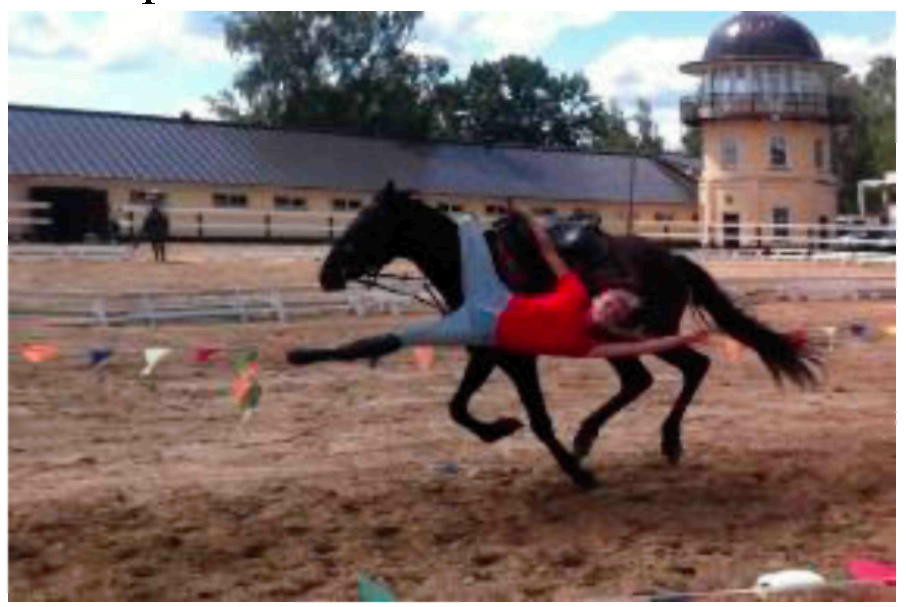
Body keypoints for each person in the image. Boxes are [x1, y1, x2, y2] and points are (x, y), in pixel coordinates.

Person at [287, 212, 707, 366]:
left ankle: (327, 355)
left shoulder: (587, 345)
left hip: (481, 327)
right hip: (493, 296)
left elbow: (644, 346)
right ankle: (399, 217)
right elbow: (550, 253)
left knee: (403, 337)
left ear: (612, 321)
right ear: (603, 296)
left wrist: (684, 339)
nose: (609, 304)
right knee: (467, 226)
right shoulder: (577, 289)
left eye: (614, 310)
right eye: (612, 298)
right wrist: (527, 219)